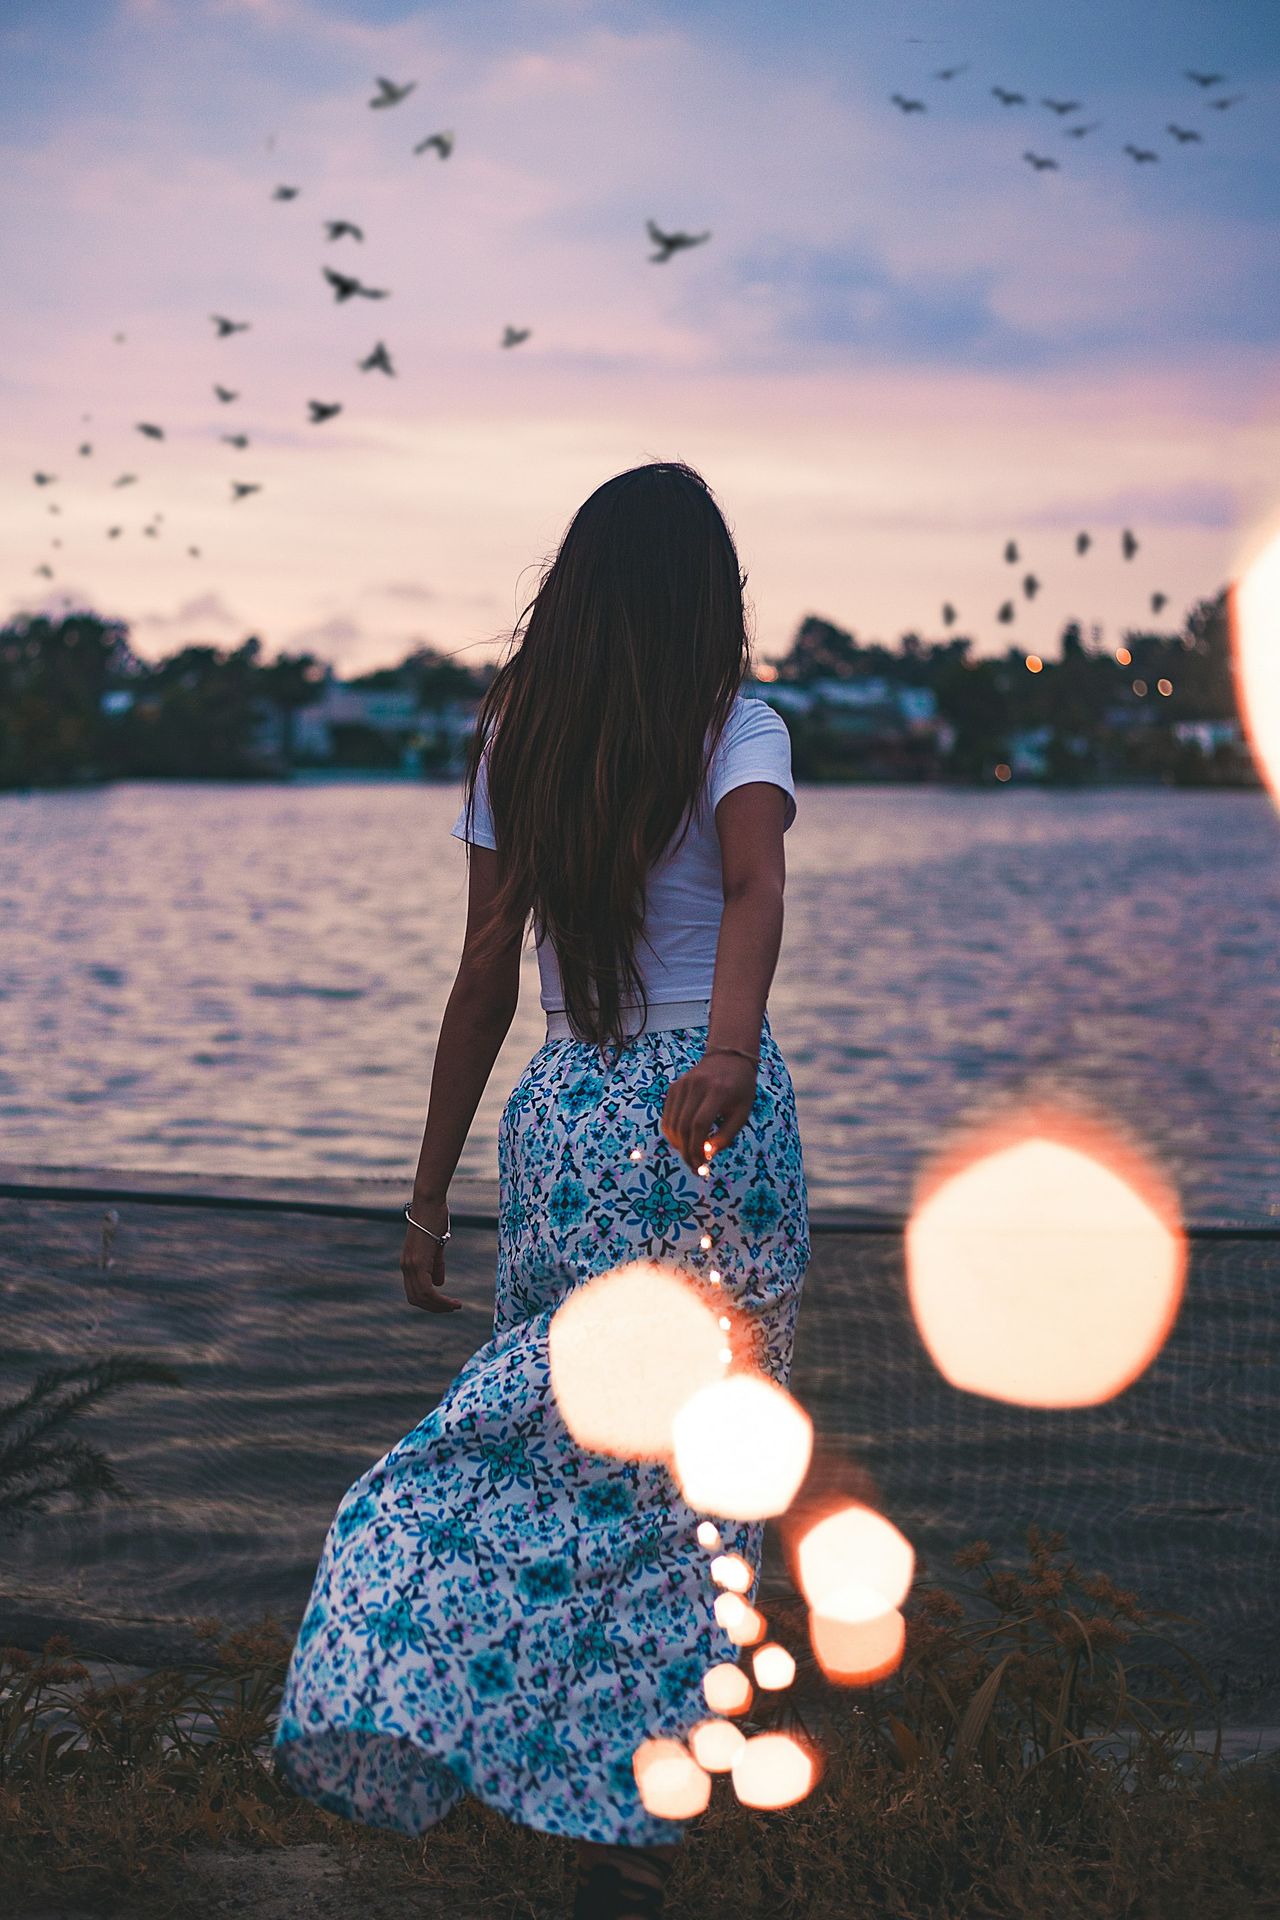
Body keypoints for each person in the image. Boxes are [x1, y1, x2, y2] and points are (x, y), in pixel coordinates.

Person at [272, 460, 811, 1919]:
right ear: (710, 597)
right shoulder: (735, 726)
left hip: (568, 1124)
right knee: (688, 1490)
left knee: (540, 1454)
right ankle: (619, 1812)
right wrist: (729, 1055)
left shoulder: (523, 734)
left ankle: (490, 1731)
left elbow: (480, 978)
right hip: (707, 1121)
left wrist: (427, 1197)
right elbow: (755, 889)